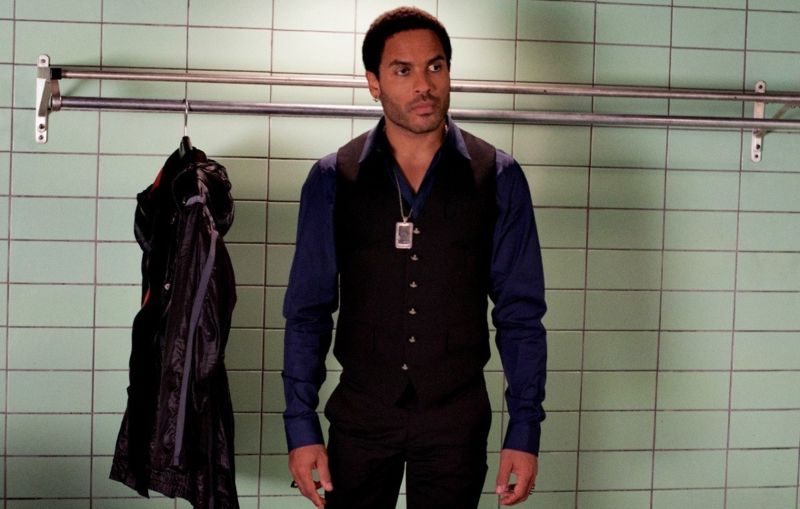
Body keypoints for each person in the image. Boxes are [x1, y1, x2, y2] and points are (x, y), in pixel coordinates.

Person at [282, 7, 547, 509]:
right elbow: (307, 313)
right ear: (374, 83)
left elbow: (521, 316)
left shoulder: (499, 177)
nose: (424, 84)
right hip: (361, 415)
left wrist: (524, 431)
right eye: (403, 70)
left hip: (457, 419)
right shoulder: (332, 178)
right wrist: (301, 426)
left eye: (435, 67)